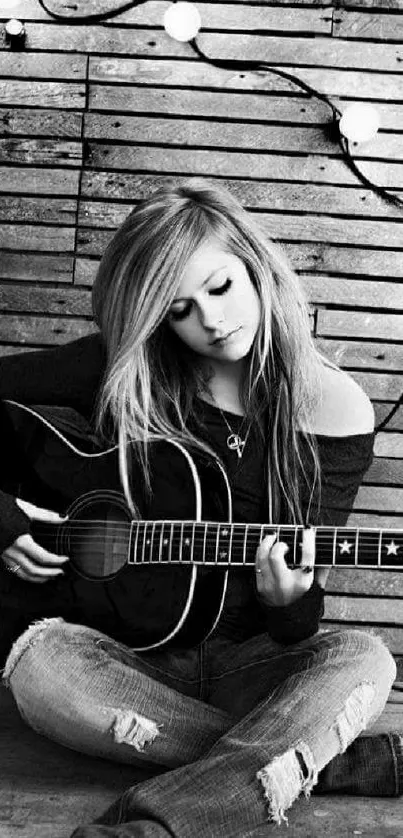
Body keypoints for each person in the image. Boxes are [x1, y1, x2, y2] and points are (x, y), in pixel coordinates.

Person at [0, 178, 400, 838]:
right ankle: (320, 761)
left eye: (219, 288)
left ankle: (146, 828)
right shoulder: (124, 369)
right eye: (179, 309)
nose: (210, 322)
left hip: (251, 671)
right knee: (38, 667)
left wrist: (287, 598)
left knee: (364, 660)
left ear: (254, 264)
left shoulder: (335, 411)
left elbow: (296, 631)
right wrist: (8, 522)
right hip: (119, 662)